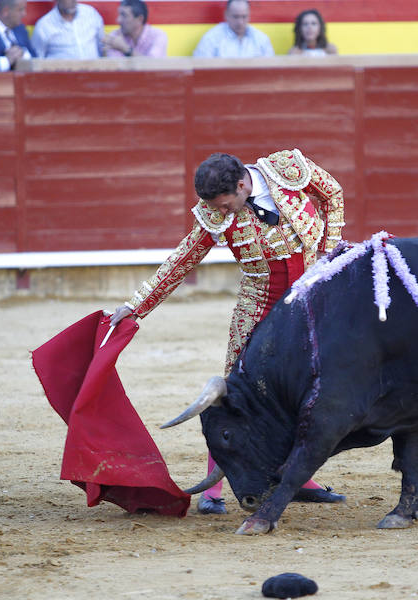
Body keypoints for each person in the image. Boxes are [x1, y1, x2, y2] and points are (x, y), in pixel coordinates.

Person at [109, 149, 345, 514]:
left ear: (241, 185)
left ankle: (300, 478)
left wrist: (327, 259)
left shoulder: (289, 169)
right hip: (259, 306)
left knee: (306, 389)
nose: (221, 213)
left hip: (310, 301)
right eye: (215, 208)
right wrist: (136, 305)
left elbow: (333, 195)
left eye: (225, 205)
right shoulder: (212, 214)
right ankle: (212, 490)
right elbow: (183, 259)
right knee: (234, 395)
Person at [192, 0, 274, 58]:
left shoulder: (261, 39)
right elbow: (200, 70)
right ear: (226, 15)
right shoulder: (211, 38)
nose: (240, 22)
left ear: (249, 15)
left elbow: (272, 71)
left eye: (244, 17)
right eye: (236, 17)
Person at [31, 0, 104, 59]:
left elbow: (103, 46)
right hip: (61, 76)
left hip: (94, 74)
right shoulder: (44, 26)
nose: (73, 1)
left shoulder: (91, 14)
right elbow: (37, 59)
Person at [102, 0, 167, 58]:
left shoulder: (158, 36)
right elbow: (116, 68)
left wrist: (125, 49)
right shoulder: (115, 35)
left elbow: (154, 64)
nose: (118, 20)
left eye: (124, 15)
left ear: (139, 19)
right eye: (119, 15)